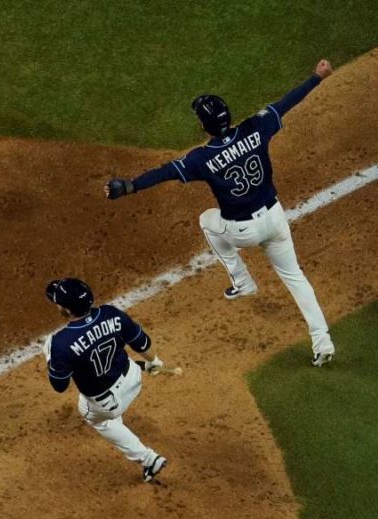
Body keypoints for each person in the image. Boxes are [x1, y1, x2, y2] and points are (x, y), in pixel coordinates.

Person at [105, 59, 336, 366]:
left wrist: (130, 186)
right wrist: (316, 77)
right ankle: (323, 343)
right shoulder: (257, 126)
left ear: (203, 126)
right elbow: (287, 103)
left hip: (243, 231)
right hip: (276, 217)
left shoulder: (201, 158)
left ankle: (242, 281)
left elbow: (165, 173)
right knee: (295, 278)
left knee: (207, 220)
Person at [44, 278, 168, 483]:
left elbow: (59, 386)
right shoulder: (112, 313)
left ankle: (148, 459)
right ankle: (141, 367)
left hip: (107, 404)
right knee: (116, 360)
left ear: (66, 310)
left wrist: (50, 356)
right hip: (133, 379)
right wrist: (155, 361)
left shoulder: (60, 343)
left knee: (97, 419)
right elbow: (142, 342)